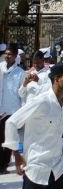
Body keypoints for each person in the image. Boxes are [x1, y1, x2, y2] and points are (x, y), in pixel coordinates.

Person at [0, 44, 25, 173]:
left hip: (11, 111)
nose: (7, 56)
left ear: (15, 56)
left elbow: (22, 93)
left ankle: (3, 165)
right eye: (6, 53)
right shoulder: (0, 68)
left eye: (10, 54)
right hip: (0, 108)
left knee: (7, 139)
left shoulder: (20, 73)